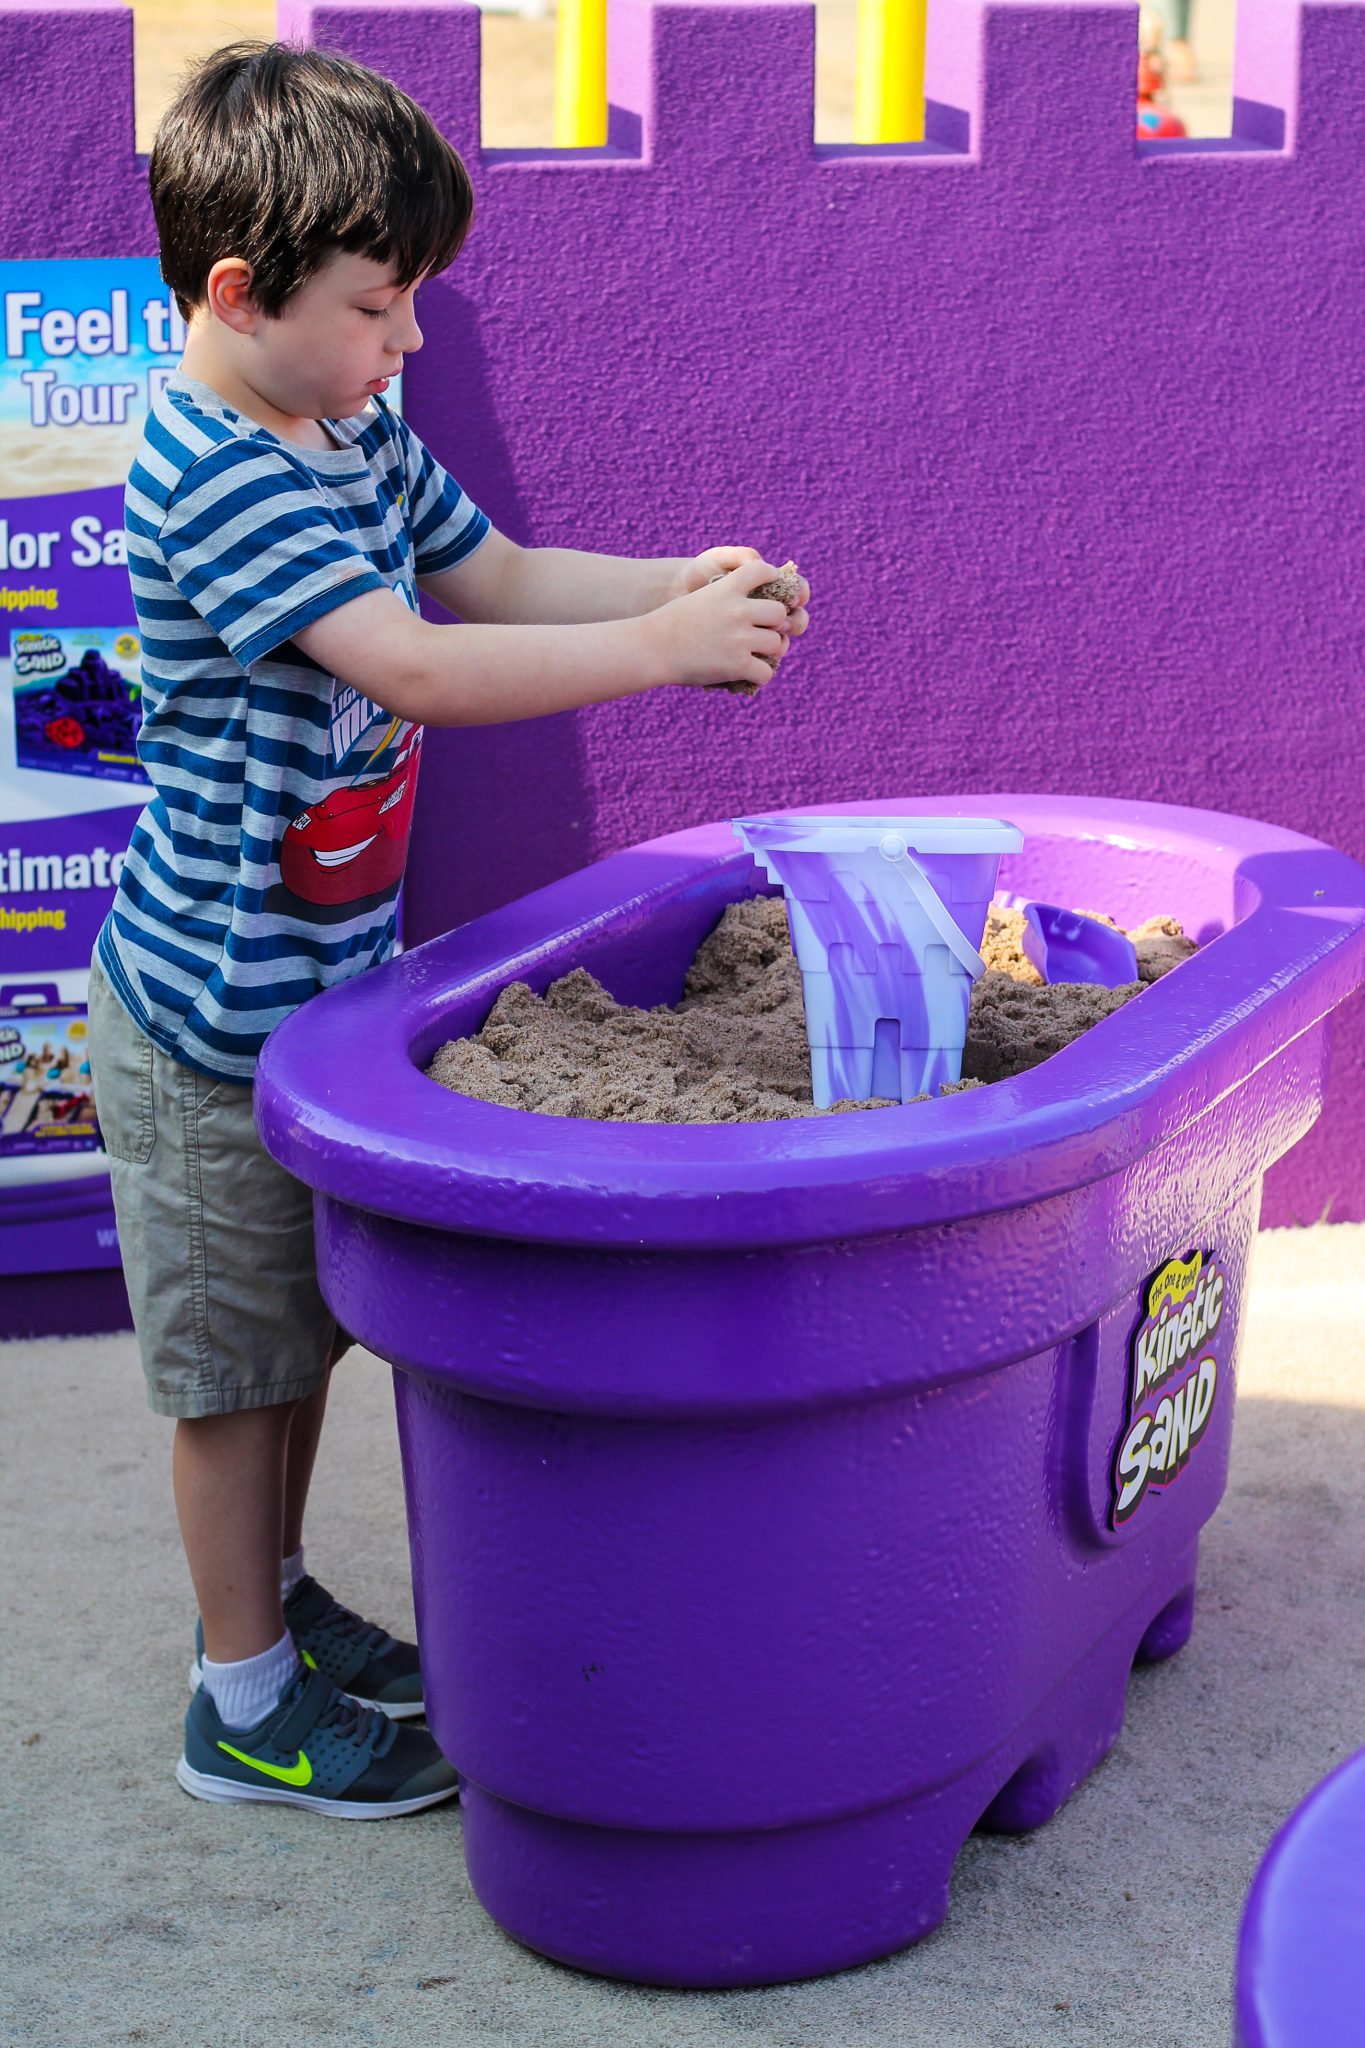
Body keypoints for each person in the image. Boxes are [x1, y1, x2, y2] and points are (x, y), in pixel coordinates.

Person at [87, 40, 810, 1820]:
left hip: (305, 1001)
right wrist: (653, 662)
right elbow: (413, 662)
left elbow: (481, 578)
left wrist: (665, 586)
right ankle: (237, 1698)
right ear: (243, 295)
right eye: (381, 305)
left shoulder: (339, 421)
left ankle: (279, 1615)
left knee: (297, 1348)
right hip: (199, 1025)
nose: (410, 343)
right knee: (232, 1378)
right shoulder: (217, 470)